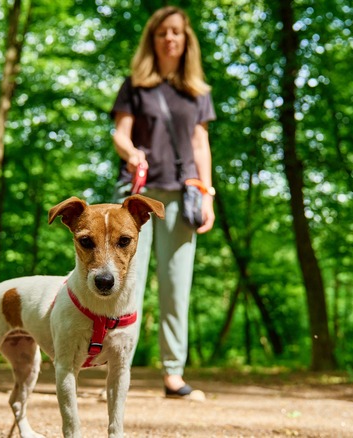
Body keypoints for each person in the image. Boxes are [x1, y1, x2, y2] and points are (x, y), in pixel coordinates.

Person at [110, 6, 216, 400]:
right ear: (152, 39)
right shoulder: (135, 86)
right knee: (127, 283)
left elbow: (200, 143)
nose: (169, 38)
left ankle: (173, 374)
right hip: (140, 200)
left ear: (186, 40)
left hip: (184, 196)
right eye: (161, 33)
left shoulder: (197, 93)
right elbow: (120, 134)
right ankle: (120, 366)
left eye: (176, 32)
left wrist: (207, 193)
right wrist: (132, 153)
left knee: (176, 288)